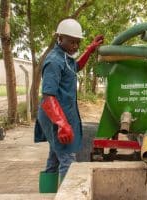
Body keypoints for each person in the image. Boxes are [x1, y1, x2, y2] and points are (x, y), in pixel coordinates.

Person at [34, 18, 104, 193]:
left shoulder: (65, 57)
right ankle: (68, 195)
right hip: (55, 117)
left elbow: (76, 67)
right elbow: (48, 97)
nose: (75, 46)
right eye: (71, 41)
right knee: (68, 159)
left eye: (77, 42)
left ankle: (48, 194)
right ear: (60, 38)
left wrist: (90, 49)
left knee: (54, 157)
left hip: (61, 115)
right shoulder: (54, 61)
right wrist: (63, 125)